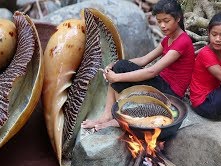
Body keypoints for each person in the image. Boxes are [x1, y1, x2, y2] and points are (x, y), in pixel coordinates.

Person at [81, 0, 195, 131]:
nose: (162, 25)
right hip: (162, 83)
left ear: (178, 18)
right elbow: (144, 59)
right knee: (119, 67)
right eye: (159, 21)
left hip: (171, 93)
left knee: (119, 72)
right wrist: (114, 64)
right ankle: (107, 116)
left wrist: (117, 77)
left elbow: (152, 71)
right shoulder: (167, 39)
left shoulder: (183, 41)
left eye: (166, 20)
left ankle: (120, 119)